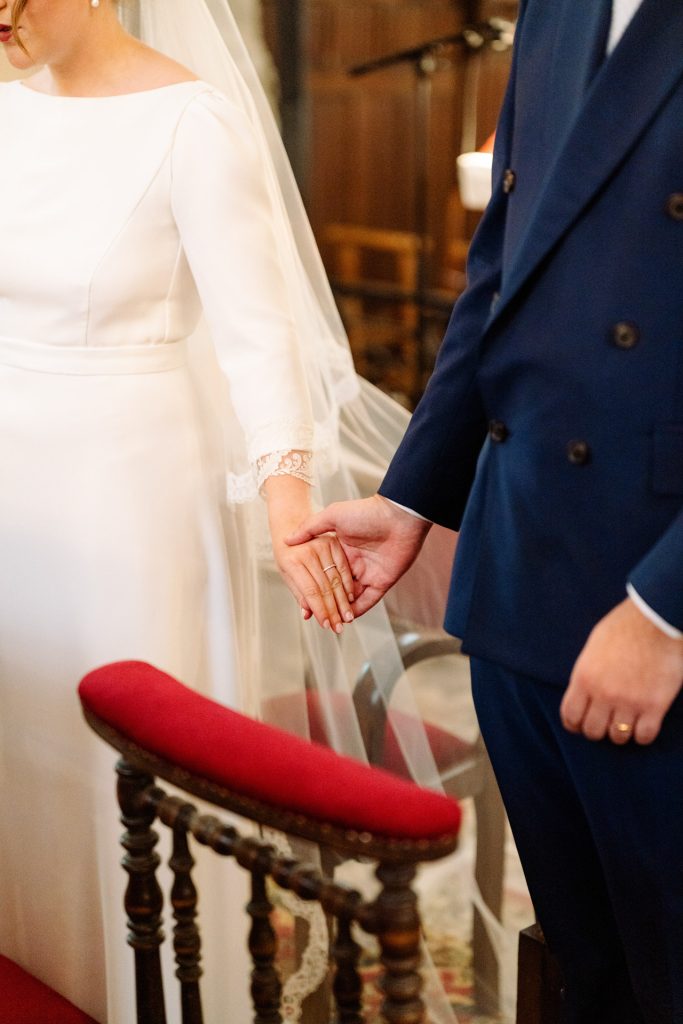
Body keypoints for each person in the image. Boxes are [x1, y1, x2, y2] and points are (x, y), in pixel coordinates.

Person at [0, 0, 464, 1021]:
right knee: (17, 749)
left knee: (114, 756)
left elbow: (261, 339)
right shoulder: (6, 106)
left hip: (123, 491)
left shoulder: (191, 123)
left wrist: (286, 496)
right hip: (9, 480)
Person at [290, 1, 683, 1021]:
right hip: (520, 578)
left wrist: (664, 611)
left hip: (655, 596)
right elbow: (502, 270)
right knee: (589, 972)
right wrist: (412, 494)